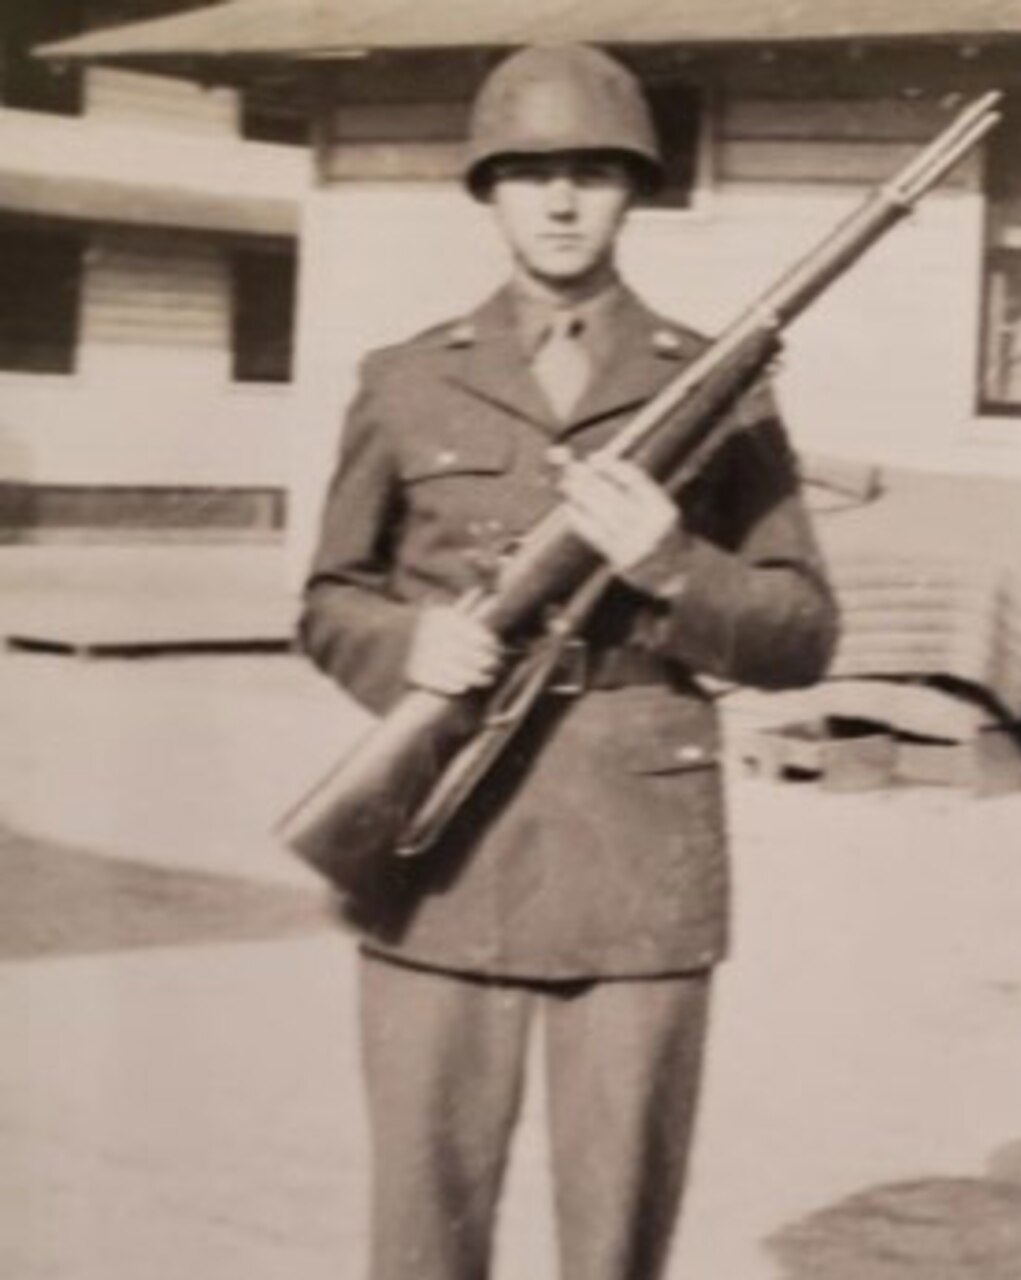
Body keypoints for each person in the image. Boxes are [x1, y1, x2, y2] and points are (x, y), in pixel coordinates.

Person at [298, 42, 838, 1280]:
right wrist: (406, 647)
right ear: (486, 190)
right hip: (440, 836)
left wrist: (671, 563)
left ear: (632, 190)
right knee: (423, 1230)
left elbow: (804, 632)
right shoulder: (405, 380)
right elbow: (331, 597)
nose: (558, 199)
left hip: (635, 853)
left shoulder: (717, 388)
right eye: (529, 171)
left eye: (592, 171)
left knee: (613, 1238)